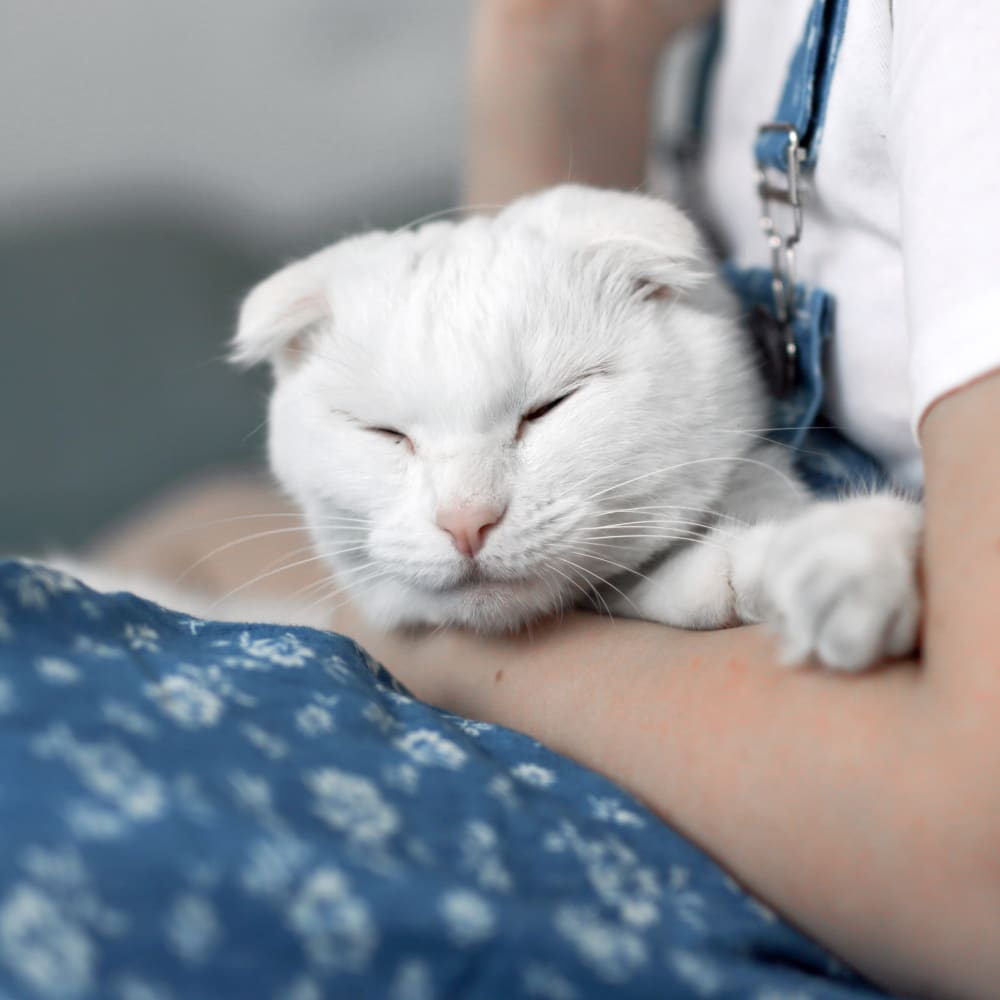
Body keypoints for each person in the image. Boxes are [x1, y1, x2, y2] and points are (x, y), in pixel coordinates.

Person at [94, 2, 1000, 995]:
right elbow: (488, 325)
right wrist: (553, 42)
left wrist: (437, 651)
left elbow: (972, 865)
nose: (463, 515)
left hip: (765, 824)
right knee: (174, 542)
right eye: (386, 439)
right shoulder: (699, 42)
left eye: (546, 414)